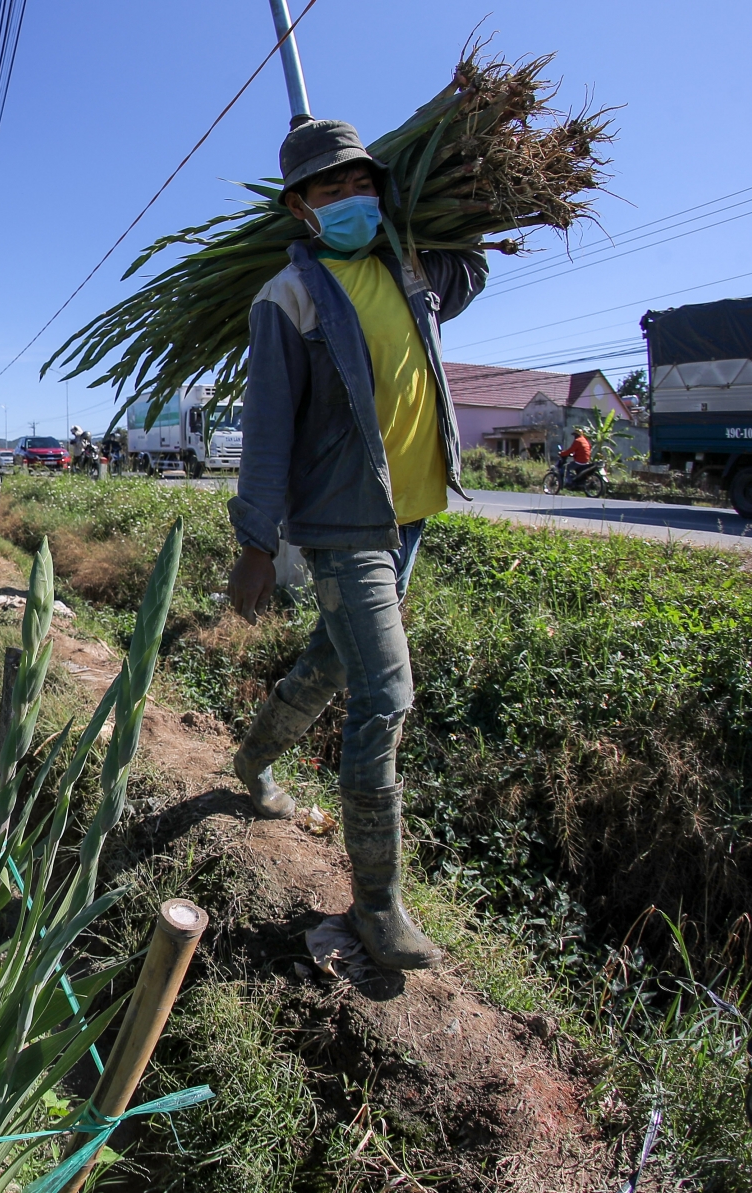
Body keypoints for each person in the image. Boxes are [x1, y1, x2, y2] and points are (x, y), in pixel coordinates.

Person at [224, 117, 486, 970]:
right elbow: (267, 430)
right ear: (301, 208)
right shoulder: (287, 298)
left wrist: (461, 180)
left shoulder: (408, 271)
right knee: (387, 692)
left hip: (406, 516)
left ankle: (254, 757)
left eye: (361, 184)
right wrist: (257, 542)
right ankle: (378, 907)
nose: (349, 199)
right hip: (341, 526)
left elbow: (474, 260)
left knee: (332, 664)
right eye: (329, 189)